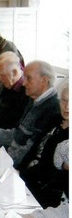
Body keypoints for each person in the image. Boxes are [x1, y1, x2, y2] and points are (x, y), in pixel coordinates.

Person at [0, 60, 61, 168]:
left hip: (15, 168)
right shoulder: (34, 100)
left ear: (44, 80)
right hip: (7, 159)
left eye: (29, 78)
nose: (23, 83)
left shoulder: (52, 109)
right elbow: (18, 135)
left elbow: (29, 151)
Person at [19, 80, 69, 208]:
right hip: (33, 176)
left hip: (49, 193)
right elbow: (35, 148)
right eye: (64, 100)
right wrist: (19, 171)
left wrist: (23, 178)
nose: (67, 106)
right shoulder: (56, 119)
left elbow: (50, 170)